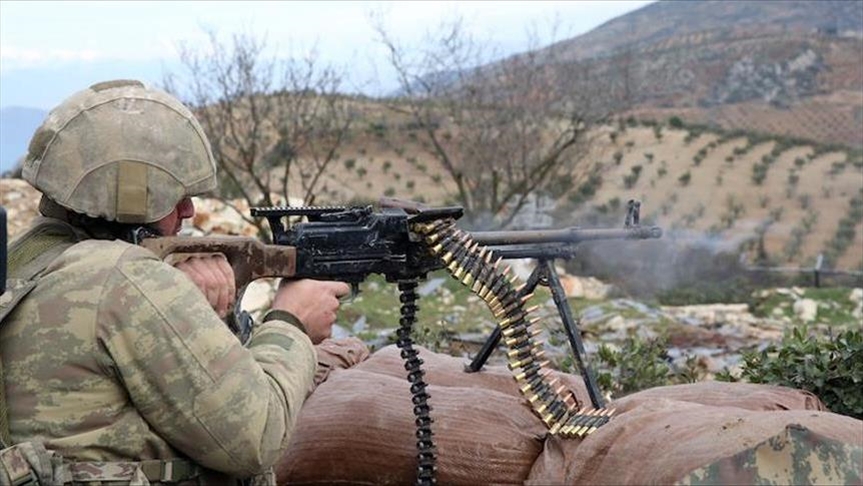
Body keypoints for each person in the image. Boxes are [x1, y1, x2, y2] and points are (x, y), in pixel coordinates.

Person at [0, 79, 350, 485]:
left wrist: (199, 313)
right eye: (175, 196)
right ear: (129, 197)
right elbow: (258, 436)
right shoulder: (125, 278)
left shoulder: (28, 257)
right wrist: (292, 321)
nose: (189, 211)